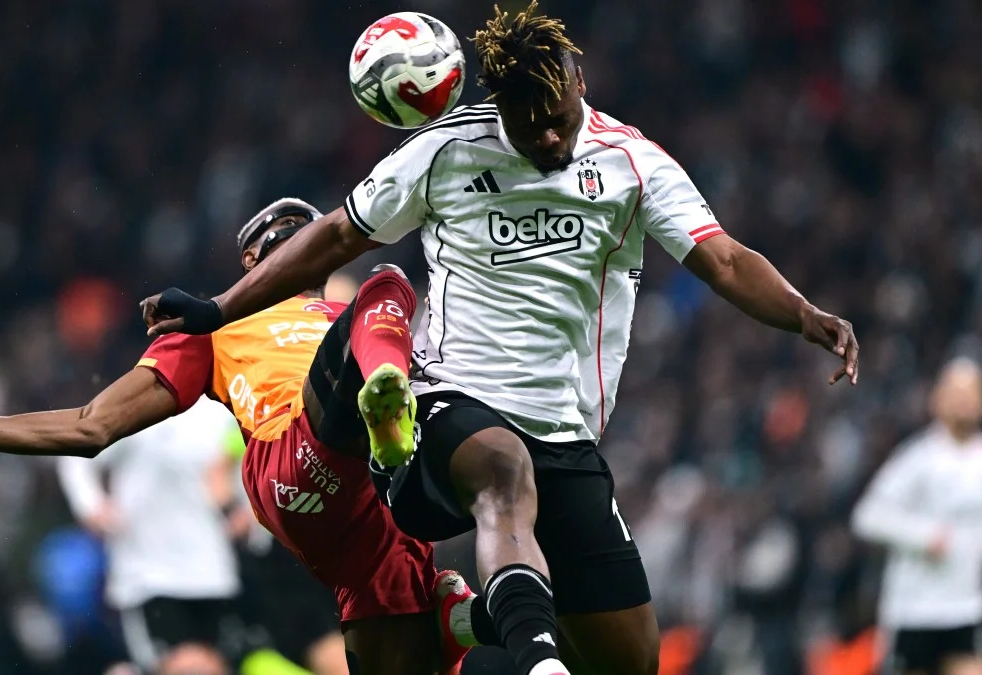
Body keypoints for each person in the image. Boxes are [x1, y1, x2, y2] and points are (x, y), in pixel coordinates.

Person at [139, 4, 860, 674]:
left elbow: (725, 258)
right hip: (452, 404)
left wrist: (803, 313)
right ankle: (534, 657)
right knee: (502, 477)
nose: (548, 134)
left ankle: (473, 623)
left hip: (568, 432)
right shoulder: (443, 152)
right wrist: (217, 307)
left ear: (581, 83)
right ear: (495, 107)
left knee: (629, 658)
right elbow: (333, 234)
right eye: (528, 122)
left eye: (559, 117)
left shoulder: (632, 163)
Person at [0, 197, 474, 675]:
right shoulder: (218, 325)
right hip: (297, 464)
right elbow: (92, 427)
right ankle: (391, 423)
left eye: (304, 238)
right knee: (386, 286)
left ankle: (472, 617)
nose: (293, 246)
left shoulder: (360, 319)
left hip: (364, 515)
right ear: (253, 265)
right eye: (279, 241)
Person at [56, 397, 247, 673]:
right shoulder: (139, 405)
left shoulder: (225, 414)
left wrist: (246, 515)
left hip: (214, 574)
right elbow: (76, 452)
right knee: (181, 666)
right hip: (150, 576)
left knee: (212, 666)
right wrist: (90, 505)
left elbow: (244, 476)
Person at [851, 357, 982, 675]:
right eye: (956, 392)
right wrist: (923, 537)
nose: (965, 401)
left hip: (965, 607)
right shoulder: (917, 459)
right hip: (915, 609)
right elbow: (868, 516)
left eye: (972, 392)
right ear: (938, 400)